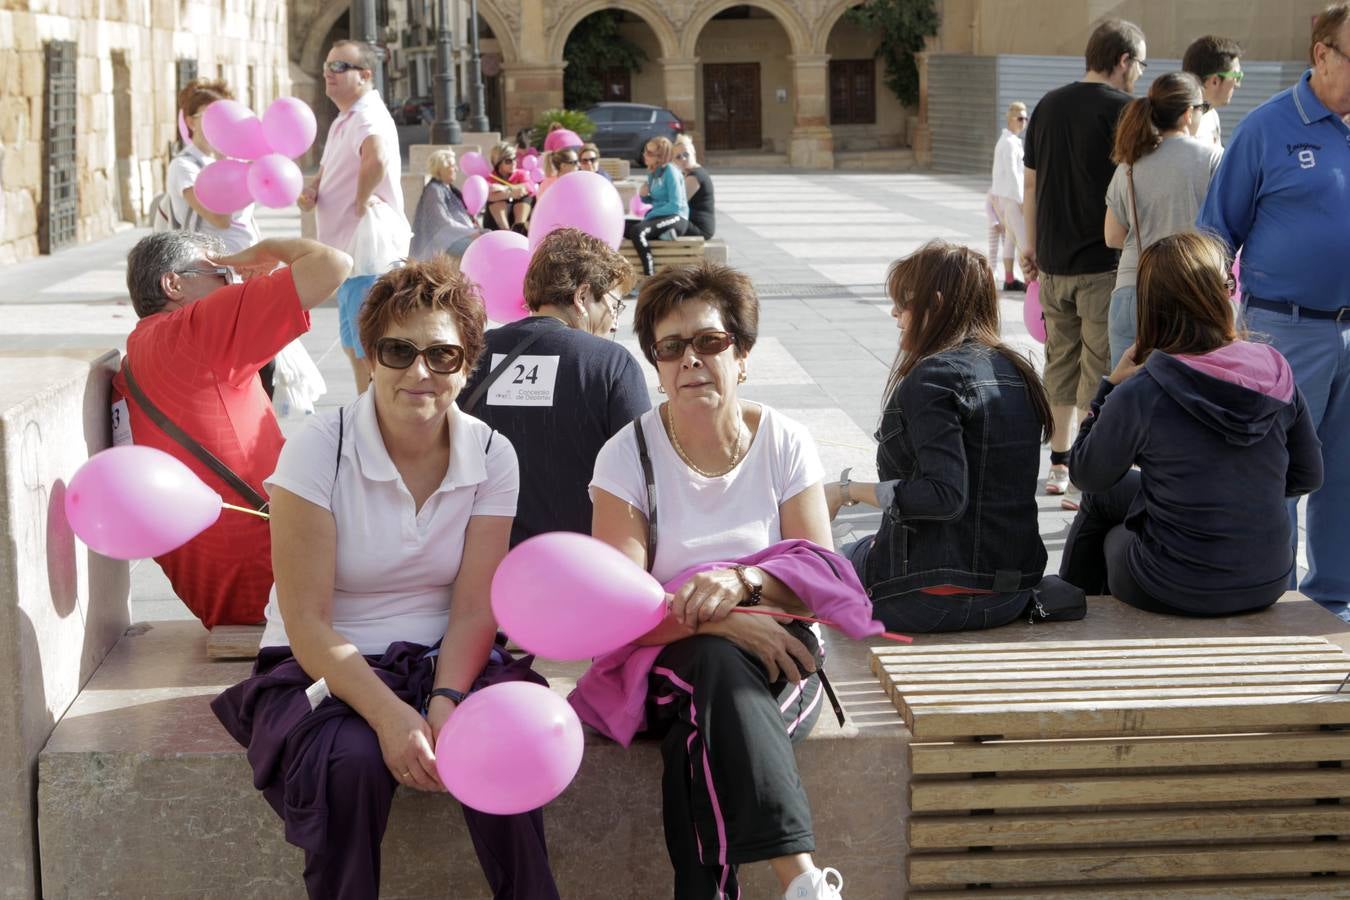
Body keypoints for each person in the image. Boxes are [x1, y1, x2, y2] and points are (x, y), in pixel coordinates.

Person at [210, 258, 562, 900]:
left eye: (442, 354)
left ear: (469, 363)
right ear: (370, 357)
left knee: (503, 745)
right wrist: (392, 717)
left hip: (444, 657)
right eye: (399, 351)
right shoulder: (322, 446)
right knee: (349, 766)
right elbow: (307, 621)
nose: (420, 372)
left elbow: (475, 609)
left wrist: (446, 703)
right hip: (323, 660)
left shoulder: (491, 453)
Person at [579, 261, 861, 900]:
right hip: (662, 657)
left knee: (697, 741)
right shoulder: (628, 454)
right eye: (670, 348)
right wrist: (727, 622)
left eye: (709, 342)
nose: (690, 361)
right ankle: (804, 881)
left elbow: (820, 576)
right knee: (712, 658)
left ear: (743, 355)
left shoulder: (784, 441)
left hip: (781, 657)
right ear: (655, 363)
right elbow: (621, 604)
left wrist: (746, 584)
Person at [1059, 232, 1322, 616]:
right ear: (1221, 296)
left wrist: (1108, 388)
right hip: (1269, 580)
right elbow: (1308, 476)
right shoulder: (1275, 371)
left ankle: (1067, 611)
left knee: (1110, 523)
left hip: (1170, 585)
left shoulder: (1144, 390)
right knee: (1117, 501)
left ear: (1152, 306)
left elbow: (1086, 474)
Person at [113, 233, 352, 628]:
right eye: (222, 272)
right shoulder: (196, 327)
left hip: (221, 594)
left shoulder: (140, 350)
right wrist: (267, 250)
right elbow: (333, 263)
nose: (234, 281)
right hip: (278, 578)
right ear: (173, 284)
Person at [1198, 3, 1350, 617]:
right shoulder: (1266, 129)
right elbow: (1214, 235)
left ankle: (1335, 598)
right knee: (1277, 472)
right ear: (1323, 54)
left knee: (1344, 475)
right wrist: (1211, 333)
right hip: (1282, 330)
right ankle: (1272, 597)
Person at [826, 241, 1052, 632]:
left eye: (904, 303)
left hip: (927, 597)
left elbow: (945, 497)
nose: (895, 314)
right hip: (1011, 593)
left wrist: (847, 492)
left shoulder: (931, 379)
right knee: (855, 550)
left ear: (937, 303)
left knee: (826, 561)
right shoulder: (1018, 371)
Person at [460, 228, 648, 546]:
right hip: (582, 562)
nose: (615, 322)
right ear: (582, 297)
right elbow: (644, 471)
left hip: (483, 561)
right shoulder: (613, 363)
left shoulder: (472, 352)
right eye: (614, 305)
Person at [1021, 18, 1144, 501]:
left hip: (1051, 262)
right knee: (1099, 369)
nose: (1138, 73)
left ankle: (1057, 464)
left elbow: (1029, 183)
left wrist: (1029, 246)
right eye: (1140, 63)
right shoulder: (1128, 111)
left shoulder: (1048, 105)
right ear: (1123, 60)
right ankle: (1085, 474)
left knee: (1059, 366)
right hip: (1102, 263)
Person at [298, 39, 403, 395]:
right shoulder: (346, 117)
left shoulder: (366, 114)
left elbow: (377, 158)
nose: (330, 72)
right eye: (328, 65)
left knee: (368, 349)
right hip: (348, 255)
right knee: (353, 344)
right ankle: (366, 413)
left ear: (365, 75)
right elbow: (330, 168)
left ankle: (375, 418)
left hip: (365, 253)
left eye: (341, 66)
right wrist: (314, 189)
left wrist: (359, 203)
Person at [1104, 72, 1222, 367]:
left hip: (1133, 291)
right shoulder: (1212, 158)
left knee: (1126, 398)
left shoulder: (1129, 163)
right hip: (1191, 291)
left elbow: (1112, 236)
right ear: (1187, 114)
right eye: (1202, 108)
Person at [168, 79, 260, 254]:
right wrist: (223, 164)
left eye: (223, 117)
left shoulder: (237, 160)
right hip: (212, 268)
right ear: (191, 122)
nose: (219, 124)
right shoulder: (184, 165)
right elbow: (220, 220)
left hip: (248, 263)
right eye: (210, 117)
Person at [625, 137, 689, 277]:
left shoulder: (671, 171)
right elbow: (654, 201)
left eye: (649, 152)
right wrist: (644, 196)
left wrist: (649, 216)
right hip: (660, 218)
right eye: (645, 151)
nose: (644, 154)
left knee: (638, 231)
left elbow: (675, 204)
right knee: (623, 226)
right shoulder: (652, 173)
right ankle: (662, 235)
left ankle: (649, 276)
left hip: (677, 217)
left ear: (660, 157)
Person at [409, 148, 482, 260]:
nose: (456, 169)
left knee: (488, 235)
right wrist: (470, 233)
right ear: (441, 168)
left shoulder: (449, 189)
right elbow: (442, 222)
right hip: (442, 241)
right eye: (452, 166)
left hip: (456, 236)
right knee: (478, 248)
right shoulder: (434, 190)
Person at [986, 102, 1028, 292]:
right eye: (1020, 118)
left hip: (1006, 198)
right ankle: (1030, 281)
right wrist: (1021, 200)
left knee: (1011, 239)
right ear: (1010, 119)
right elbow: (1012, 173)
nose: (1024, 122)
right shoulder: (1009, 143)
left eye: (1026, 118)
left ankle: (1010, 279)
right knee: (1024, 240)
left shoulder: (1009, 141)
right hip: (1012, 198)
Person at [1182, 35, 1244, 146]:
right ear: (1214, 81)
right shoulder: (1181, 127)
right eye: (1236, 76)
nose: (1238, 85)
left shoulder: (1211, 115)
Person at [484, 142, 534, 234]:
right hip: (497, 221)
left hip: (516, 216)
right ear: (498, 163)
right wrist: (510, 192)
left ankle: (519, 228)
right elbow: (488, 195)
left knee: (526, 197)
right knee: (496, 200)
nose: (514, 163)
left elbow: (530, 187)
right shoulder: (491, 177)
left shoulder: (520, 173)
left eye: (515, 159)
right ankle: (506, 231)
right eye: (508, 161)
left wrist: (503, 189)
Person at [674, 135, 715, 239]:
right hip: (690, 223)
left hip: (699, 228)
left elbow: (677, 203)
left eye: (686, 154)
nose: (683, 158)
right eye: (678, 157)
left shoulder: (696, 176)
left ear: (694, 154)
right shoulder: (688, 173)